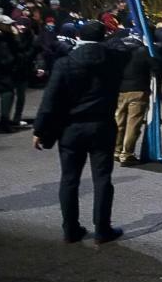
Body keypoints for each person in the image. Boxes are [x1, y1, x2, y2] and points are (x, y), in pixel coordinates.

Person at [32, 21, 127, 244]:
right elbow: (127, 46)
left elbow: (50, 99)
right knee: (103, 178)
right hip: (102, 125)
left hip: (71, 128)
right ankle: (103, 229)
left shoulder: (65, 63)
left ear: (78, 36)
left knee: (69, 179)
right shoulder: (114, 59)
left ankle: (70, 229)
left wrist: (40, 129)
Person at [112, 32, 154, 167]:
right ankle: (127, 153)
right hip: (138, 89)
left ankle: (116, 150)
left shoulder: (117, 52)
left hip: (120, 89)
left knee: (119, 121)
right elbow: (156, 66)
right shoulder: (143, 51)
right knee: (133, 124)